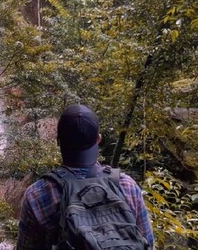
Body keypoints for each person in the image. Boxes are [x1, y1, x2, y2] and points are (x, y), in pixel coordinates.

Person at [17, 104, 154, 249]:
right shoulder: (127, 186)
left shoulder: (37, 195)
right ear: (98, 139)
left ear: (58, 141)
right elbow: (148, 243)